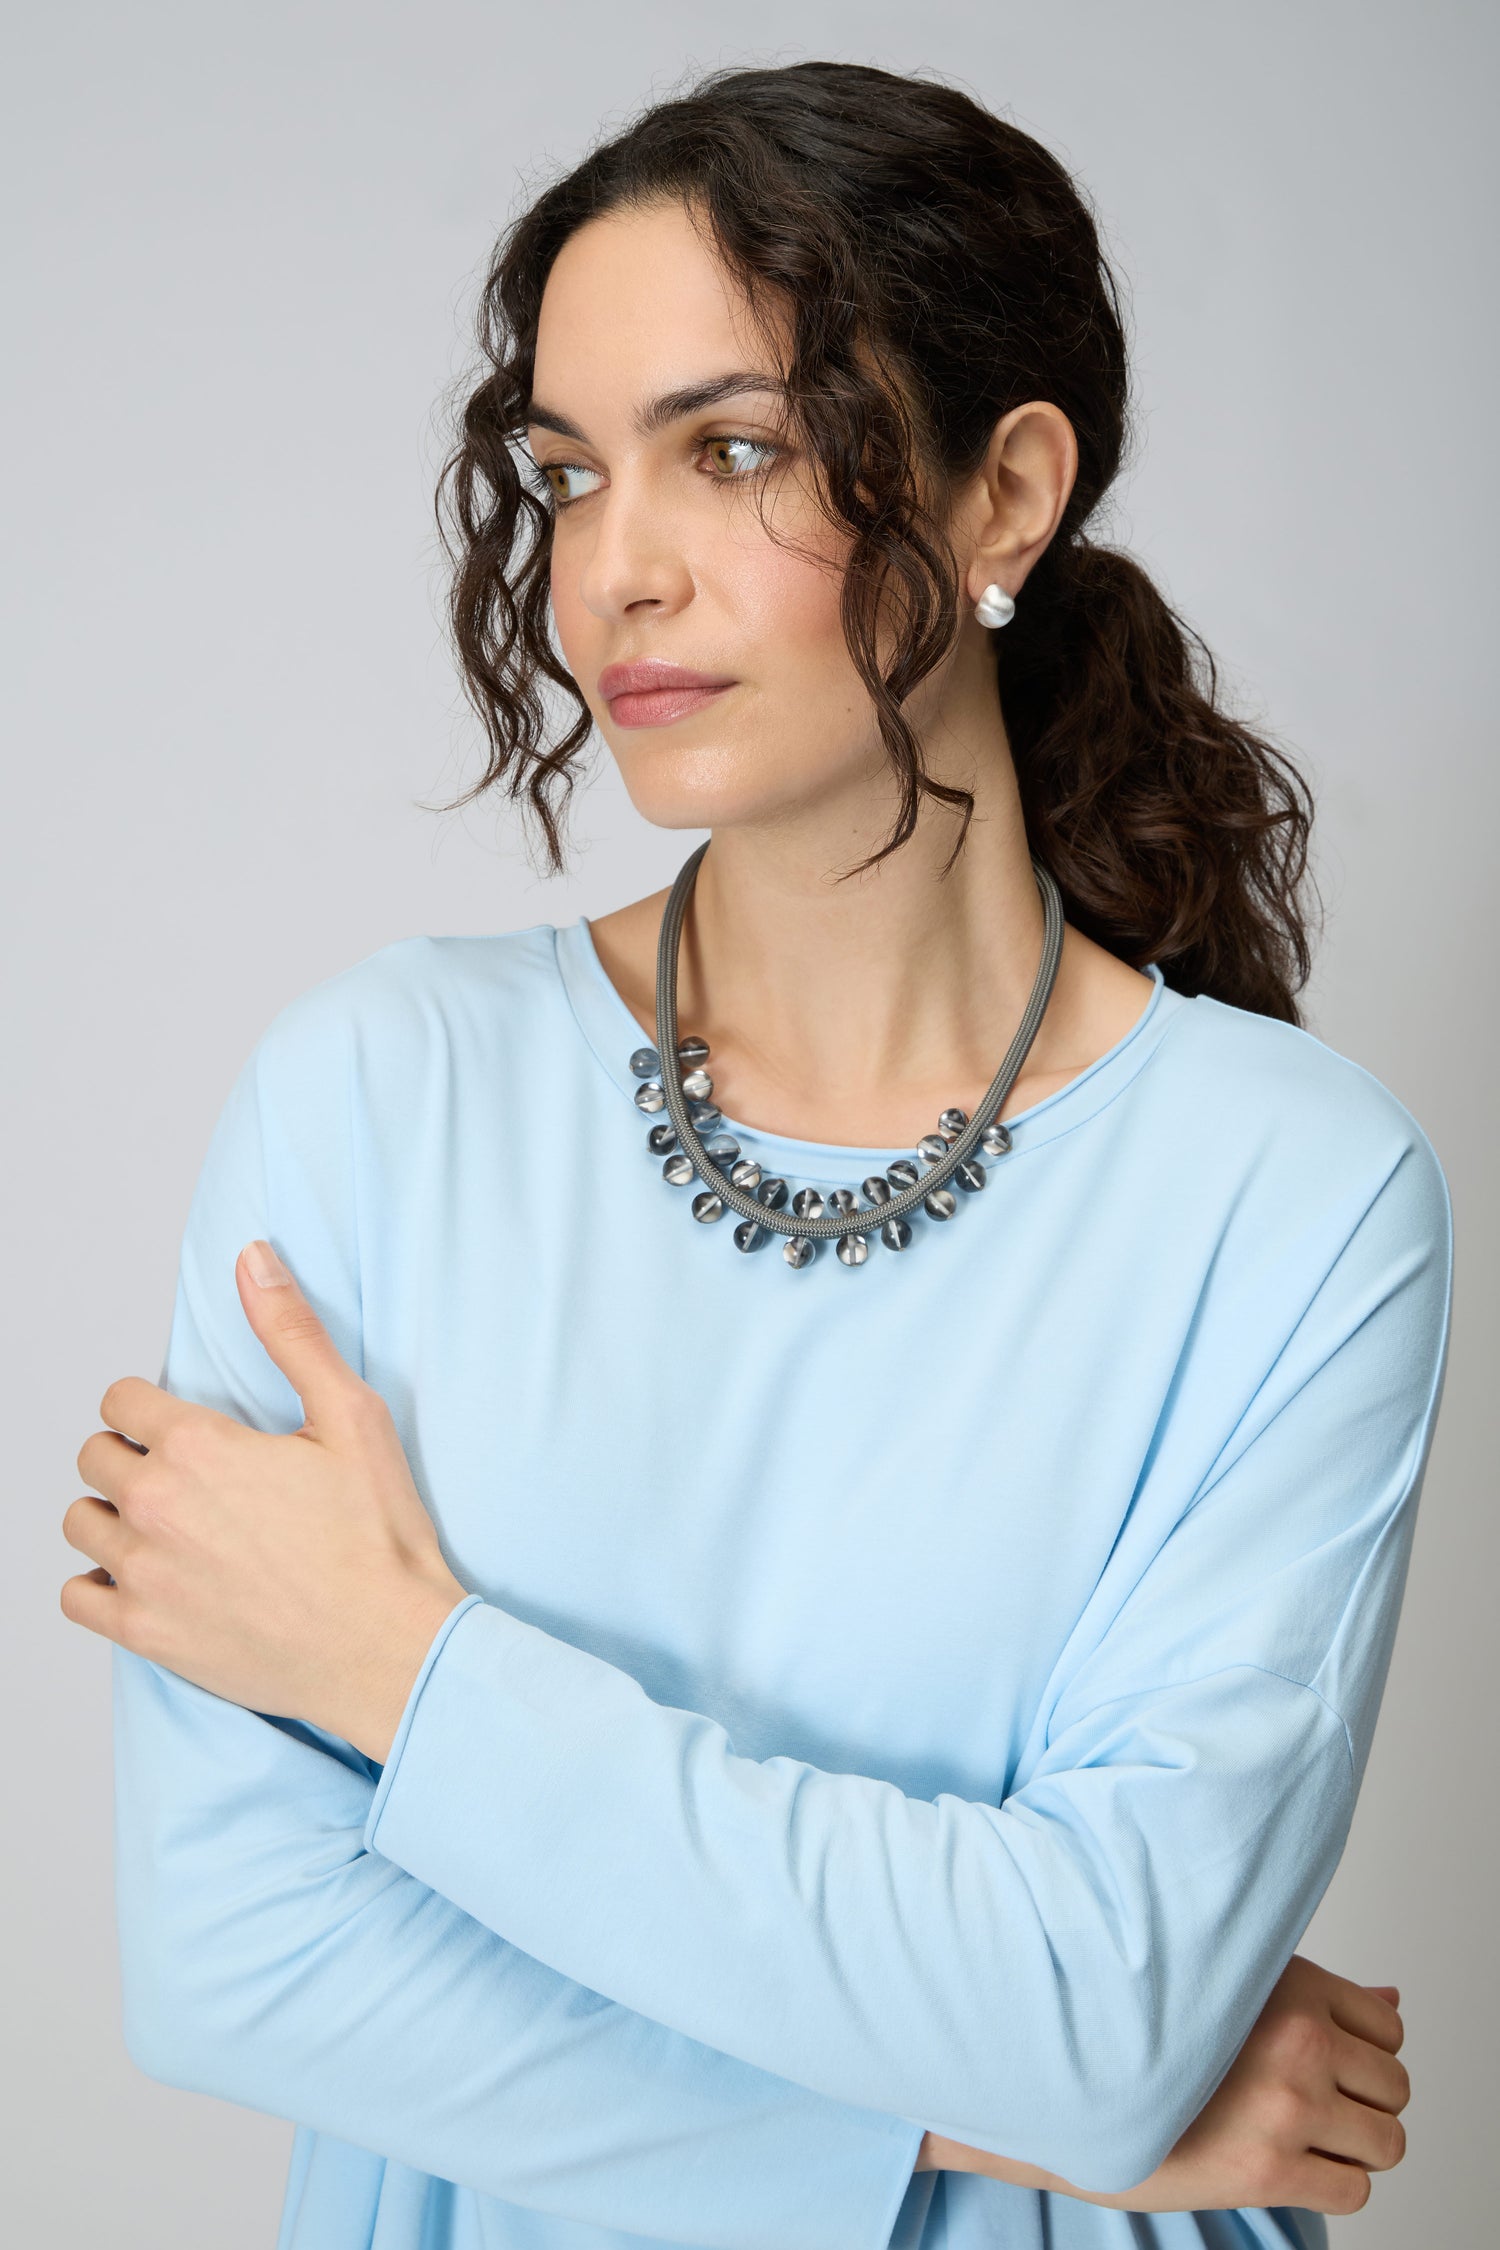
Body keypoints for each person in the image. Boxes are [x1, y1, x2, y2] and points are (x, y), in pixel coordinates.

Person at [66, 58, 1451, 2250]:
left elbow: (1109, 2014)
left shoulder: (1293, 1196)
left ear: (1006, 497)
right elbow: (245, 1962)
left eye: (729, 453)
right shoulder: (377, 1096)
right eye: (567, 472)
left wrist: (407, 1677)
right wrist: (992, 2120)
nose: (610, 573)